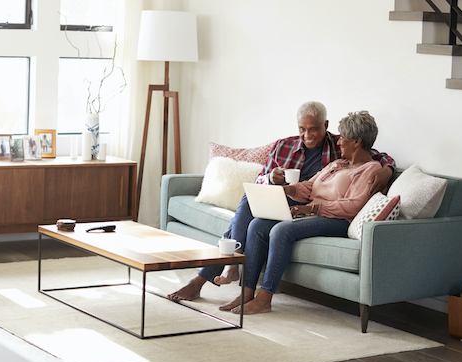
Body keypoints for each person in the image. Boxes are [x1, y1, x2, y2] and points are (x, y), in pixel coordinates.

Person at [167, 102, 396, 302]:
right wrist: (272, 180)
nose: (307, 135)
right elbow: (266, 180)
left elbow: (372, 155)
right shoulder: (289, 147)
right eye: (302, 129)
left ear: (326, 126)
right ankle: (231, 268)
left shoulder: (339, 147)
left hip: (310, 207)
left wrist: (388, 169)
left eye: (313, 129)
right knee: (250, 199)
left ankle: (219, 271)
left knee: (263, 224)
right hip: (289, 195)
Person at [220, 110, 383, 314]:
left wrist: (312, 208)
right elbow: (310, 186)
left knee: (281, 231)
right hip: (313, 213)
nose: (339, 142)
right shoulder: (337, 165)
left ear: (357, 141)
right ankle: (246, 292)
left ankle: (265, 297)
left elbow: (354, 205)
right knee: (258, 225)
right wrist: (287, 190)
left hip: (338, 220)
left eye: (344, 138)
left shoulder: (371, 170)